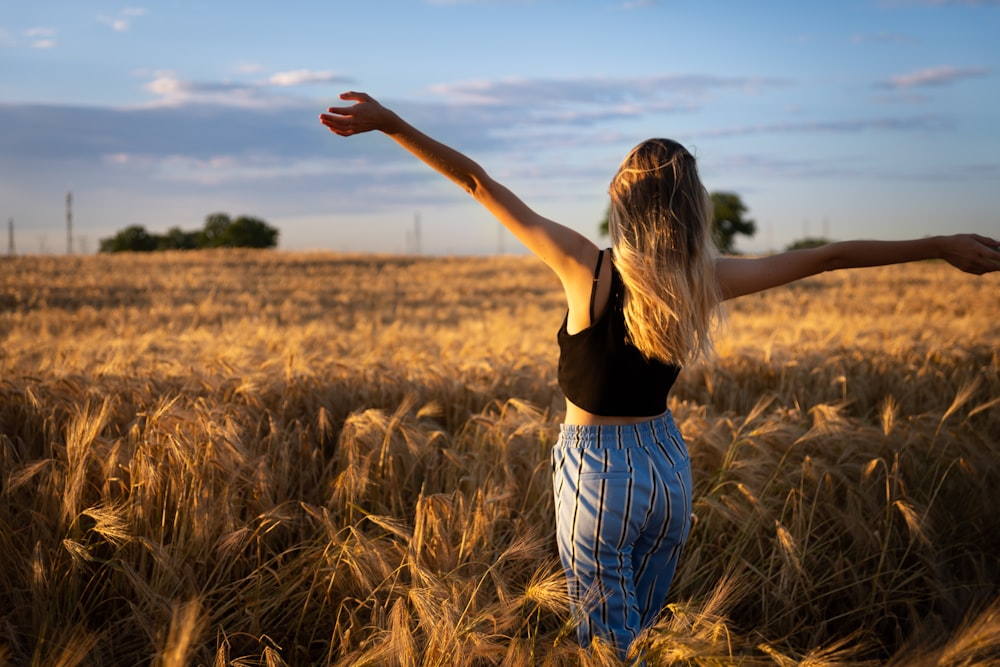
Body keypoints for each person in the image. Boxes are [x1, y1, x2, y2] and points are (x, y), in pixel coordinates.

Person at [319, 91, 1000, 661]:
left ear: (623, 202)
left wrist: (393, 124)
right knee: (644, 638)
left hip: (599, 475)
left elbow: (477, 184)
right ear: (693, 207)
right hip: (669, 469)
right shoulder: (703, 281)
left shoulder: (588, 268)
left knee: (609, 649)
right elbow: (830, 256)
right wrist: (938, 245)